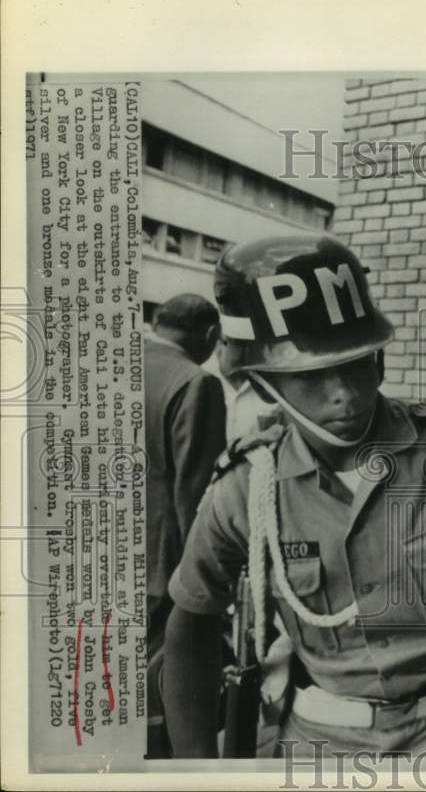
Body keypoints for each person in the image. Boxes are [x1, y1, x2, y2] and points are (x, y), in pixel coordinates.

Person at [162, 235, 426, 757]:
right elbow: (190, 618)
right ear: (265, 381)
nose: (343, 392)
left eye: (357, 362)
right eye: (311, 374)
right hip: (317, 743)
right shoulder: (249, 485)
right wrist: (198, 774)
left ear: (380, 359)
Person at [143, 293, 228, 756]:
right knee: (162, 692)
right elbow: (195, 498)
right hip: (162, 570)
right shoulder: (197, 383)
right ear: (211, 335)